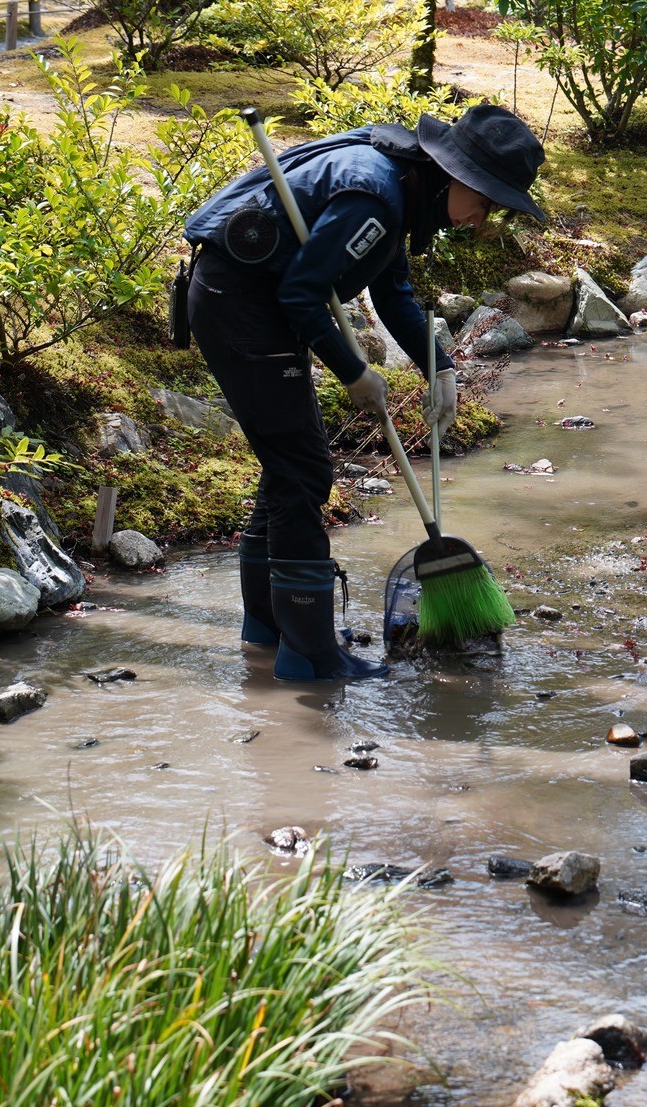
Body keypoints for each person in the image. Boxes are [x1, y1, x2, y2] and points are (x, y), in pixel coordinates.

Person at [181, 103, 545, 683]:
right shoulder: (374, 194)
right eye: (486, 203)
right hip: (240, 304)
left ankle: (270, 628)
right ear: (457, 178)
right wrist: (355, 372)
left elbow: (392, 288)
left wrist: (440, 367)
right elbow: (303, 293)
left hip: (253, 302)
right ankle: (309, 657)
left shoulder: (403, 186)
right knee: (303, 471)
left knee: (287, 467)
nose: (482, 220)